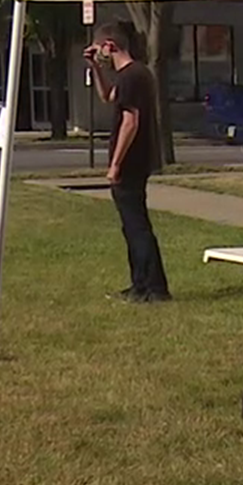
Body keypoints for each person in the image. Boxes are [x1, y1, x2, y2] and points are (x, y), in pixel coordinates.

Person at [86, 20, 169, 304]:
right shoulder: (131, 76)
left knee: (136, 226)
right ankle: (140, 283)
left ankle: (153, 287)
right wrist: (95, 69)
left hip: (132, 163)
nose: (99, 55)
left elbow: (130, 122)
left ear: (111, 46)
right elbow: (109, 97)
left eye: (100, 51)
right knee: (131, 225)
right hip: (135, 162)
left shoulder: (133, 76)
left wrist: (116, 164)